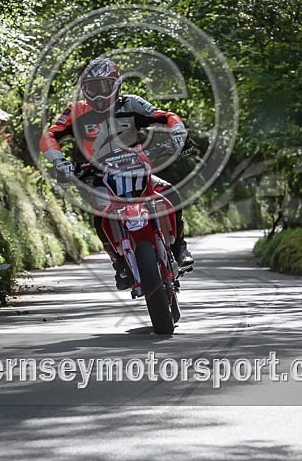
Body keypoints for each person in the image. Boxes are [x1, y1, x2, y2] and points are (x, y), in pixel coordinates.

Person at [39, 57, 194, 290]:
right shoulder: (75, 111)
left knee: (169, 192)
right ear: (84, 89)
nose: (99, 94)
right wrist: (60, 162)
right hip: (99, 175)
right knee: (100, 214)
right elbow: (49, 136)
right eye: (93, 87)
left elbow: (165, 117)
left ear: (117, 84)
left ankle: (179, 247)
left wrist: (178, 134)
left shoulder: (132, 103)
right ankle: (119, 262)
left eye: (104, 86)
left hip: (136, 168)